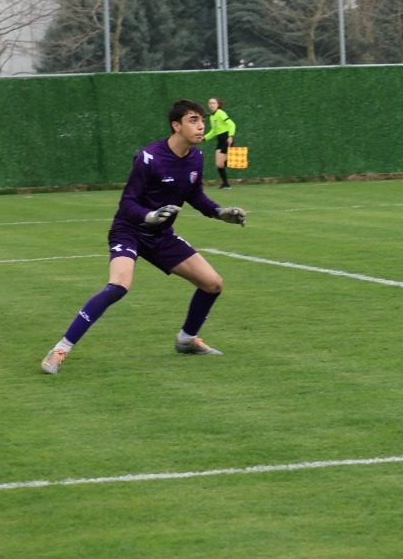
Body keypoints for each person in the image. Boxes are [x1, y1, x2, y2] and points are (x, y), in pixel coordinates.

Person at [41, 99, 248, 375]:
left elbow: (195, 196)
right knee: (118, 286)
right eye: (193, 121)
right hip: (129, 231)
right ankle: (60, 349)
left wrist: (220, 212)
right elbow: (127, 203)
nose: (201, 127)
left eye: (202, 121)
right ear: (176, 126)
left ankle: (186, 339)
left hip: (161, 236)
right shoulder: (149, 157)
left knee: (213, 284)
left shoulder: (196, 158)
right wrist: (149, 216)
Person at [204, 97, 237, 189]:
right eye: (210, 103)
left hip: (227, 138)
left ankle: (235, 159)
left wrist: (231, 136)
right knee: (219, 164)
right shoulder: (212, 116)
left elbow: (232, 124)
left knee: (224, 162)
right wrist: (203, 138)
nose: (212, 105)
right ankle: (225, 184)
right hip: (220, 140)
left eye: (214, 103)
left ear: (217, 105)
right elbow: (214, 131)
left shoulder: (220, 113)